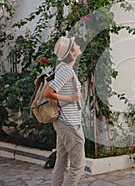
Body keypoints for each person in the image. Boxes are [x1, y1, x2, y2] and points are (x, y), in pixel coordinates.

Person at [44, 36, 85, 186]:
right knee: (78, 165)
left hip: (63, 121)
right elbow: (48, 93)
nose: (78, 45)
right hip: (69, 123)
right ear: (72, 53)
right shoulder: (66, 71)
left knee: (61, 160)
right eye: (75, 45)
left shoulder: (63, 68)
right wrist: (71, 97)